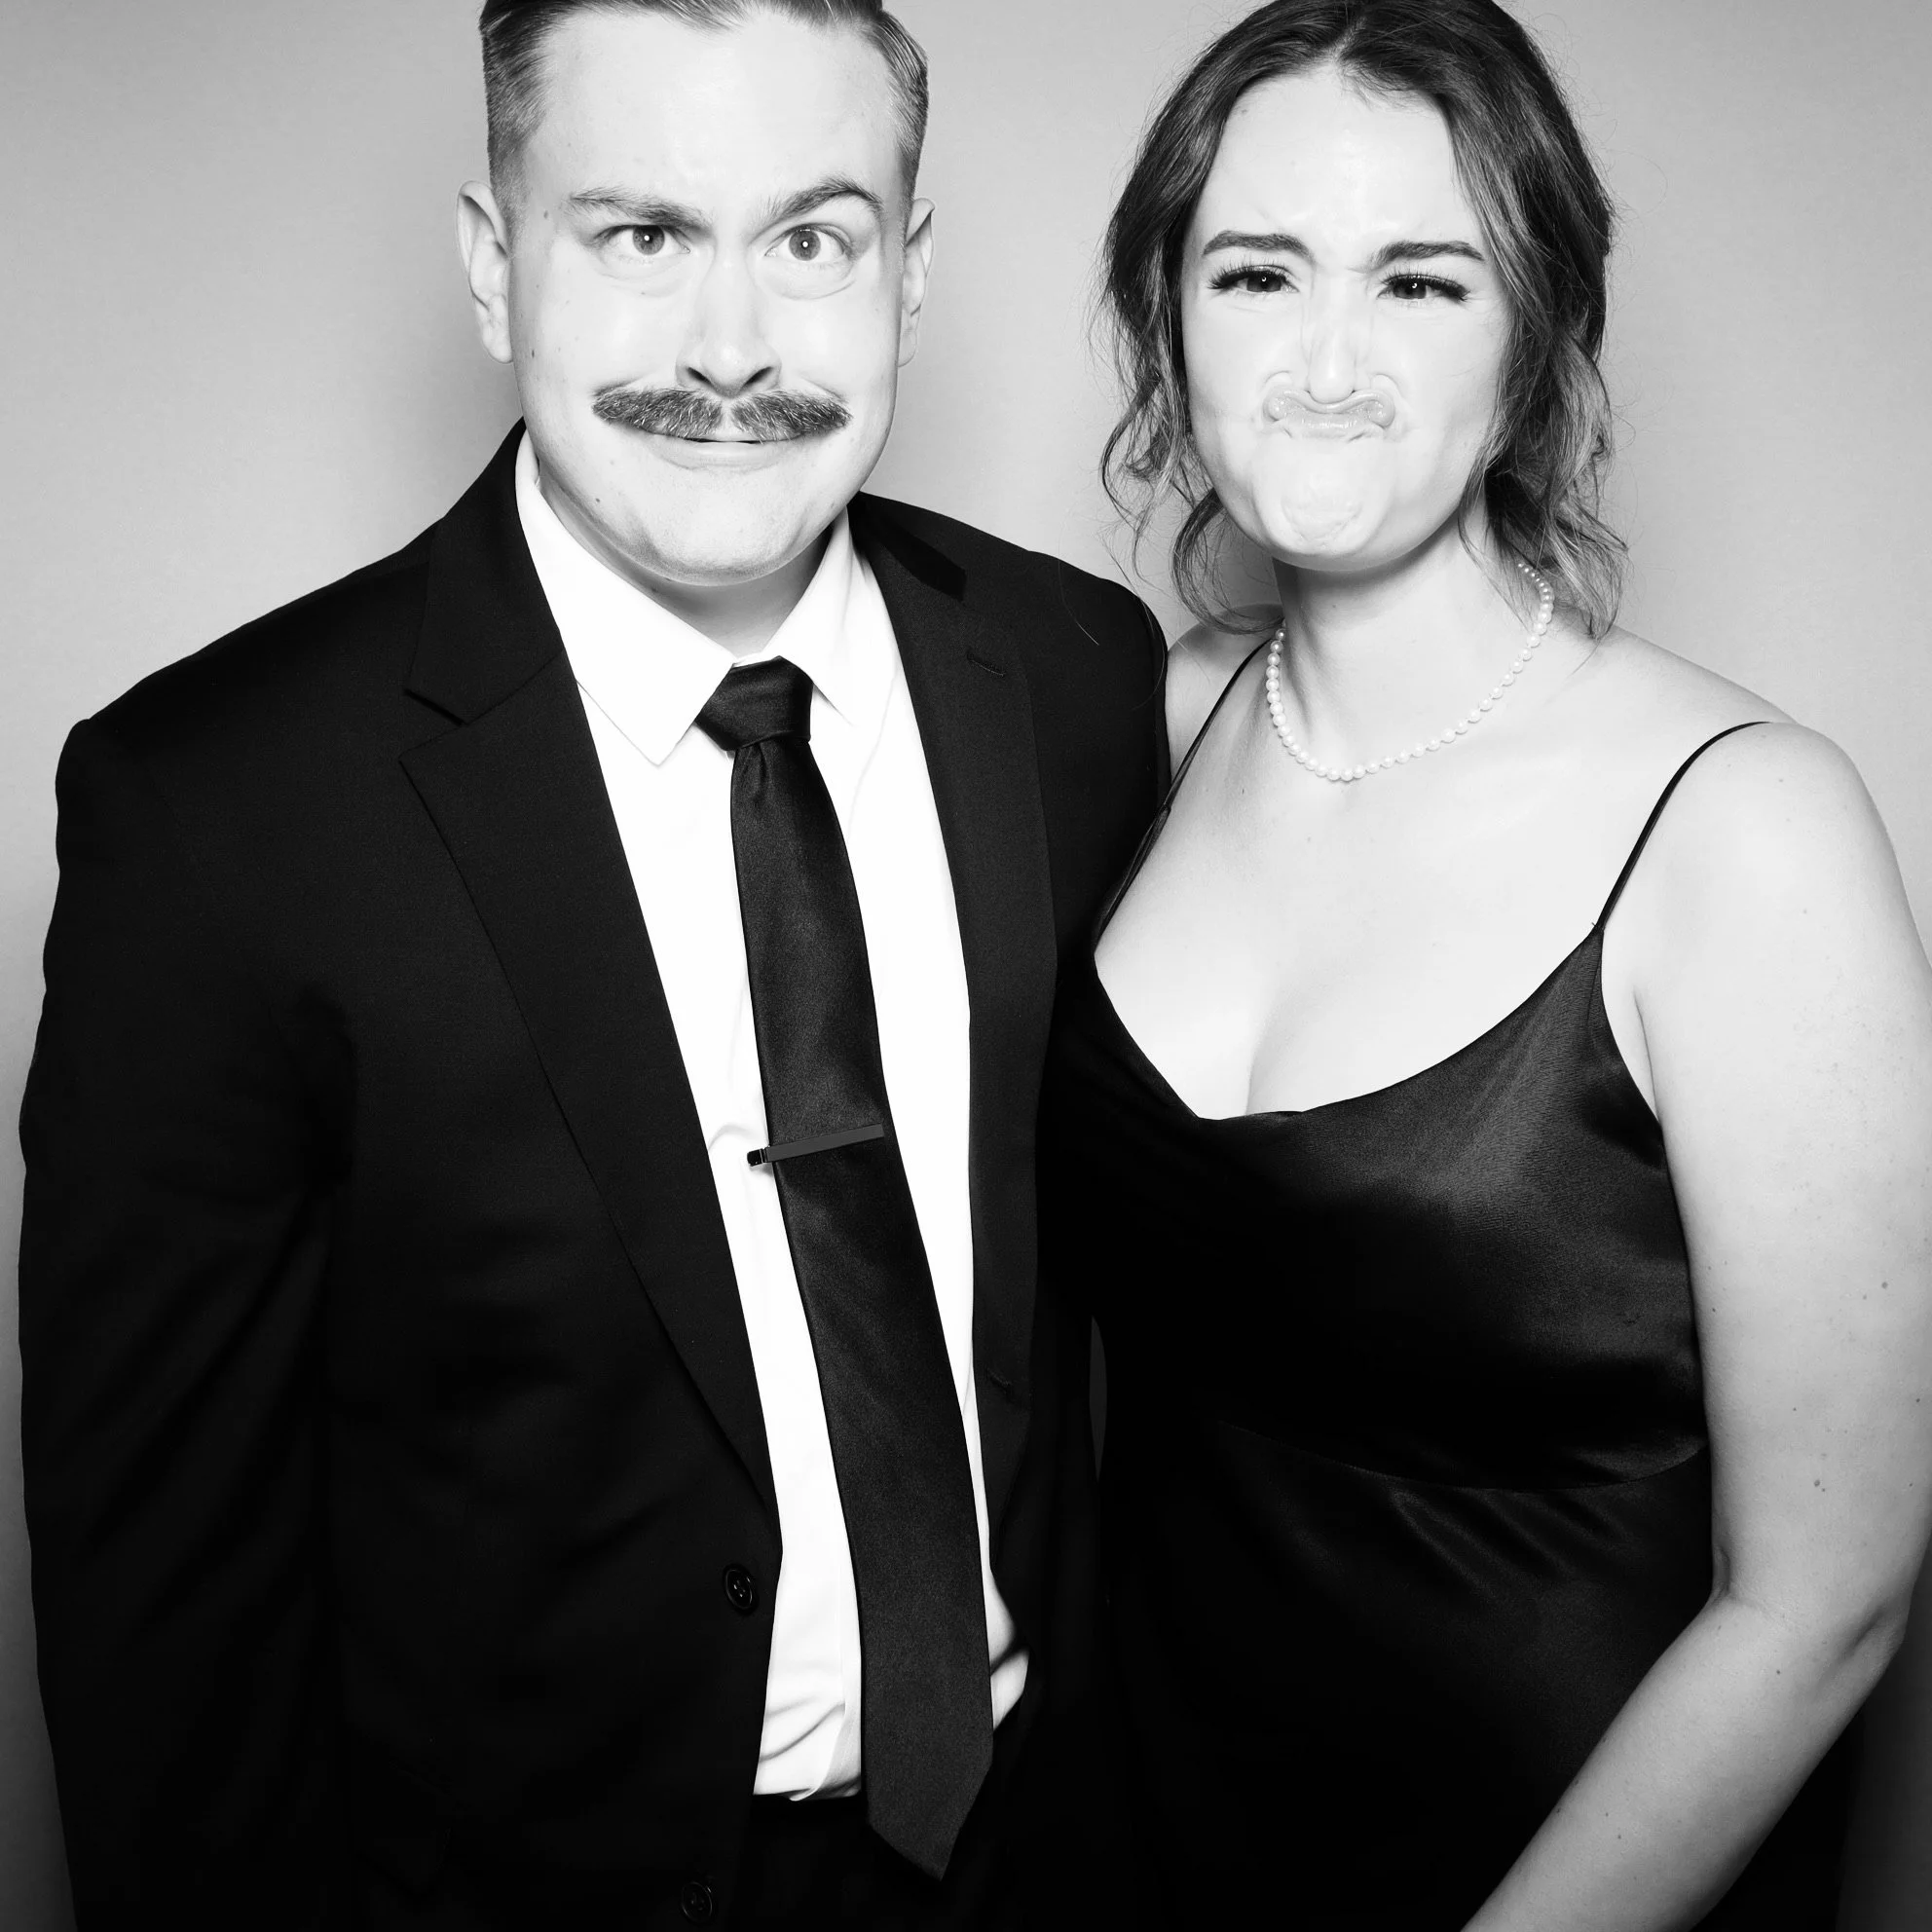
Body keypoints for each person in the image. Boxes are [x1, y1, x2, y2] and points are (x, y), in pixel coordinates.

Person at [19, 2, 1165, 1924]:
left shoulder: (1069, 678)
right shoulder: (216, 811)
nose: (732, 348)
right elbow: (168, 1638)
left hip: (1038, 1857)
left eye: (811, 238)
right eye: (639, 235)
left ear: (910, 268)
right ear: (491, 266)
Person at [1039, 1, 1932, 1926]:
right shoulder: (1153, 721)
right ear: (1167, 320)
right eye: (1253, 270)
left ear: (1534, 343)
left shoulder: (1746, 831)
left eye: (1420, 282)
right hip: (1136, 1838)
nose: (1325, 358)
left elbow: (1825, 1595)